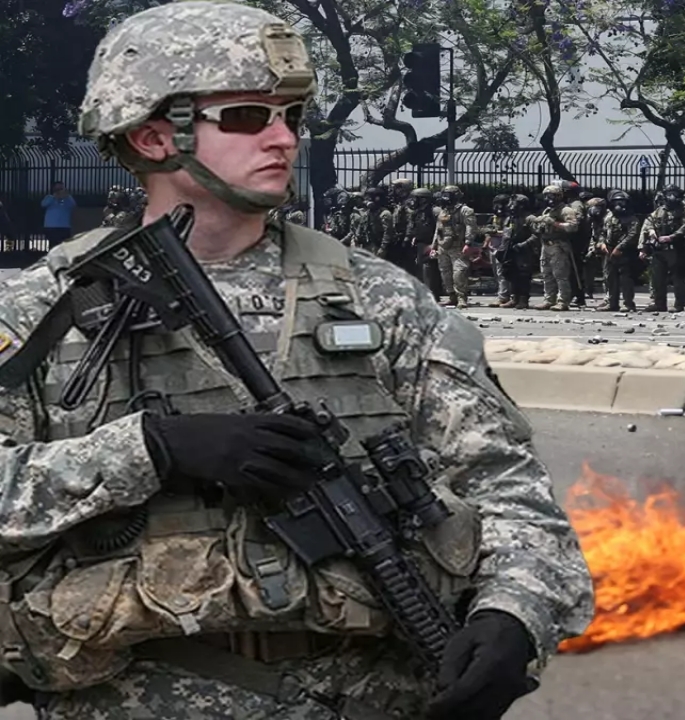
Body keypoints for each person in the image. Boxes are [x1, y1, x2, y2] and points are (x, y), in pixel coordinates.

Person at [0, 3, 594, 719]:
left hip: (378, 694)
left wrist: (513, 612)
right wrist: (149, 449)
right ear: (155, 135)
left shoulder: (378, 297)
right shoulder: (42, 310)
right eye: (249, 116)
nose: (283, 137)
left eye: (292, 115)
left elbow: (507, 487)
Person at [40, 181, 76, 247]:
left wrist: (66, 196)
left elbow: (73, 205)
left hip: (64, 227)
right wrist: (54, 197)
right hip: (51, 227)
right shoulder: (49, 197)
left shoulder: (68, 198)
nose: (59, 191)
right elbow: (43, 204)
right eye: (57, 189)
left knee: (64, 246)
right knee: (53, 246)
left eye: (61, 189)